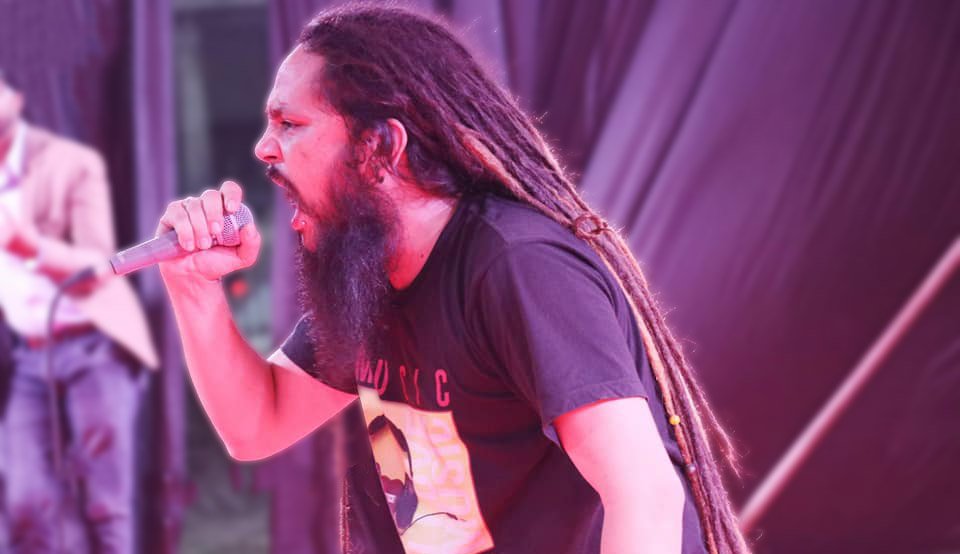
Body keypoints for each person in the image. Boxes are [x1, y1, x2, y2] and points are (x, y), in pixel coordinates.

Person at [156, 5, 751, 554]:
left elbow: (645, 494)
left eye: (290, 123)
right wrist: (193, 287)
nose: (264, 149)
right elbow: (257, 424)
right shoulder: (370, 273)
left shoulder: (519, 264)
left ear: (379, 148)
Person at [0, 72, 158, 553]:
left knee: (106, 502)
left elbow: (97, 269)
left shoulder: (70, 163)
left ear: (16, 99)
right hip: (30, 357)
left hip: (95, 347)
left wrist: (28, 247)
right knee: (25, 500)